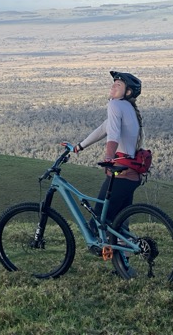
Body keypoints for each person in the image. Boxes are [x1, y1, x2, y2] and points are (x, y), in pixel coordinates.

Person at [73, 71, 144, 228]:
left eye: (118, 84)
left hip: (121, 175)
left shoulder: (115, 104)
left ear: (128, 92)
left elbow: (113, 134)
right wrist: (79, 146)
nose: (113, 86)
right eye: (113, 83)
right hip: (132, 175)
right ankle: (126, 250)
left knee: (98, 221)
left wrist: (108, 157)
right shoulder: (127, 108)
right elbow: (103, 129)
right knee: (119, 224)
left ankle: (103, 249)